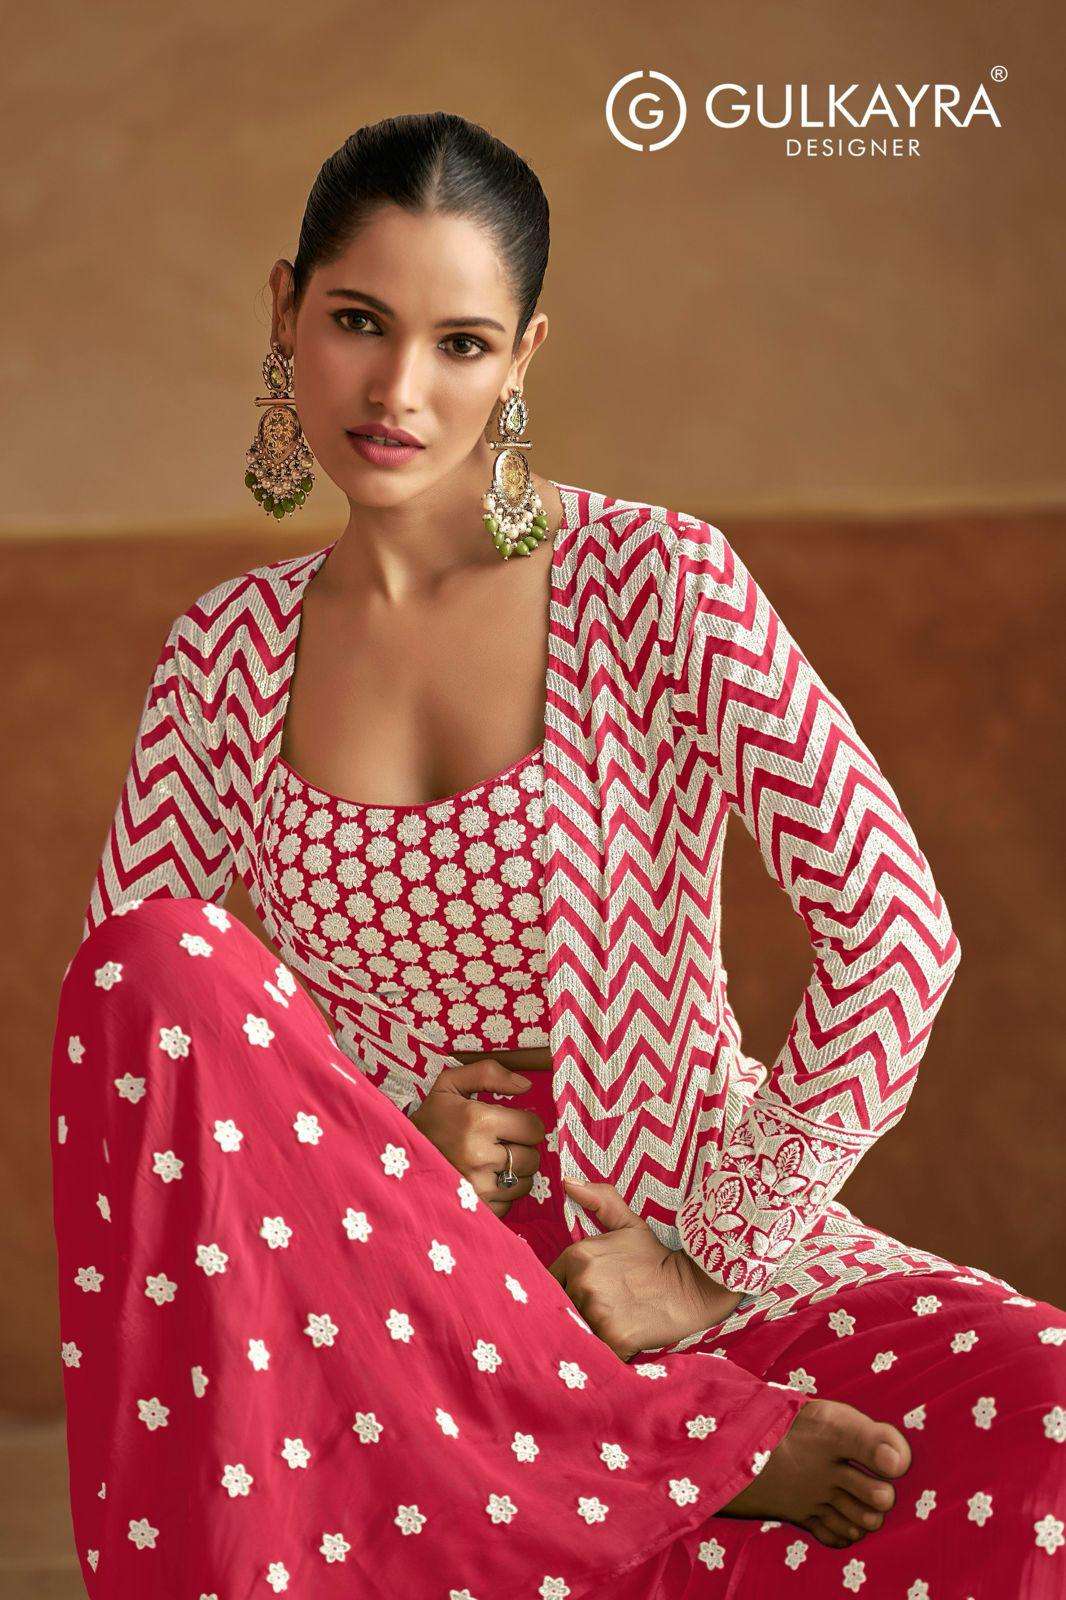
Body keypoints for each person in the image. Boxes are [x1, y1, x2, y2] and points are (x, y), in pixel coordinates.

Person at [50, 111, 1065, 1598]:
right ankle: (639, 1448)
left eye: (460, 344)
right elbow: (149, 1063)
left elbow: (895, 936)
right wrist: (388, 1154)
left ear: (521, 358)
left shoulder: (655, 582)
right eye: (357, 322)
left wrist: (705, 1257)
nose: (398, 390)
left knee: (1044, 1426)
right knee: (153, 958)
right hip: (393, 1328)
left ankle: (649, 1442)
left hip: (680, 1263)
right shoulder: (224, 656)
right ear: (285, 312)